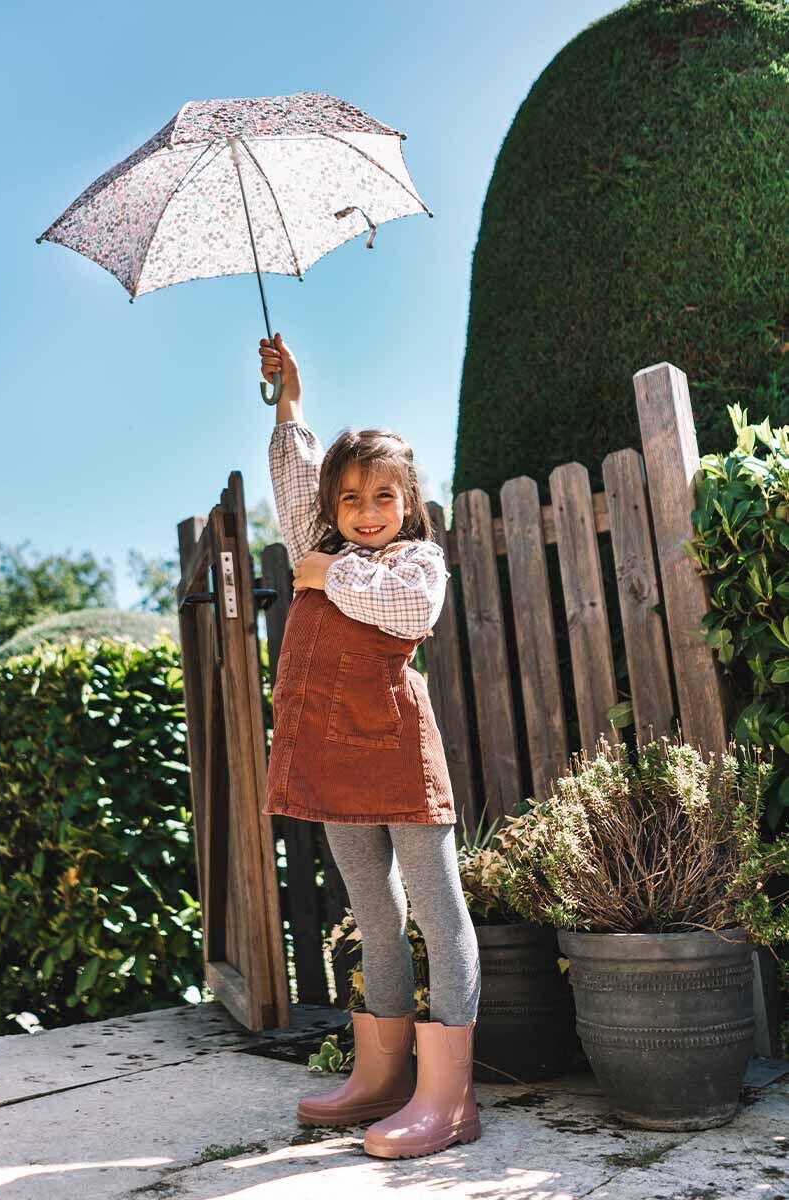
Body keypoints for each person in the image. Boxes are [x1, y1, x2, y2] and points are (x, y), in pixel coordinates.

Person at [259, 332, 482, 1160]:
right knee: (372, 909)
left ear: (408, 500)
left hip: (394, 752)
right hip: (327, 754)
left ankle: (447, 1098)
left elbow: (406, 616)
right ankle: (383, 1076)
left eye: (382, 495)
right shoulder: (317, 545)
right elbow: (293, 478)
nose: (365, 510)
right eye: (348, 498)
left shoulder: (417, 562)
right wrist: (290, 402)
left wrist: (330, 576)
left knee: (437, 908)